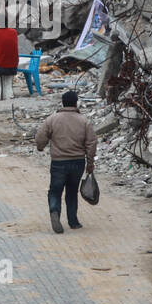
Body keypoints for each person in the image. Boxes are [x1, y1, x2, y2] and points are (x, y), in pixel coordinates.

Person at [35, 90, 97, 234]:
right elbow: (91, 143)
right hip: (78, 162)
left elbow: (40, 137)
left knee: (55, 190)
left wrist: (40, 147)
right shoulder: (84, 121)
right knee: (72, 191)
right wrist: (90, 163)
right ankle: (73, 222)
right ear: (76, 103)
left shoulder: (52, 119)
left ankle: (55, 211)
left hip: (58, 162)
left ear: (62, 102)